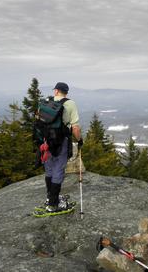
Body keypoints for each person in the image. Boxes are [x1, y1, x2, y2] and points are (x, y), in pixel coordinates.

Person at [43, 81, 82, 213]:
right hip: (61, 141)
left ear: (56, 91)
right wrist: (79, 140)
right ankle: (53, 204)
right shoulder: (70, 103)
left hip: (46, 141)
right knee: (58, 170)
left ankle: (50, 198)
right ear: (66, 92)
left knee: (49, 169)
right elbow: (75, 127)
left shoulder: (47, 102)